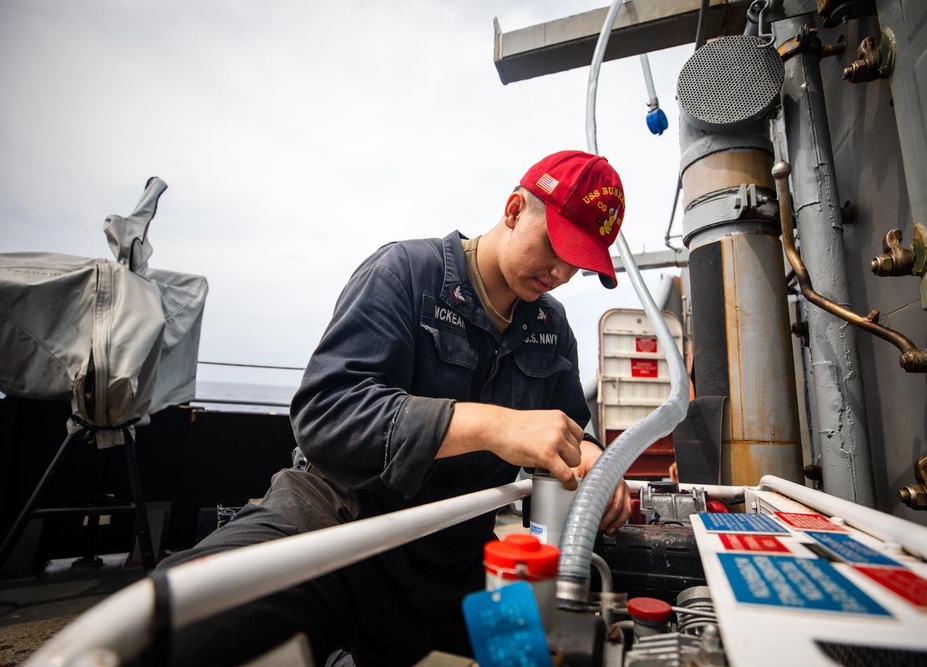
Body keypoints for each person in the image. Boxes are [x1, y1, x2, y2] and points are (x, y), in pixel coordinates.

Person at [157, 150, 632, 667]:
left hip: (456, 551)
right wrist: (491, 424)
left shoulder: (553, 327)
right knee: (182, 617)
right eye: (557, 247)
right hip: (339, 519)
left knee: (551, 652)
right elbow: (326, 412)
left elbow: (567, 431)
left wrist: (592, 460)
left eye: (579, 263)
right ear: (515, 209)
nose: (562, 272)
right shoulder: (405, 273)